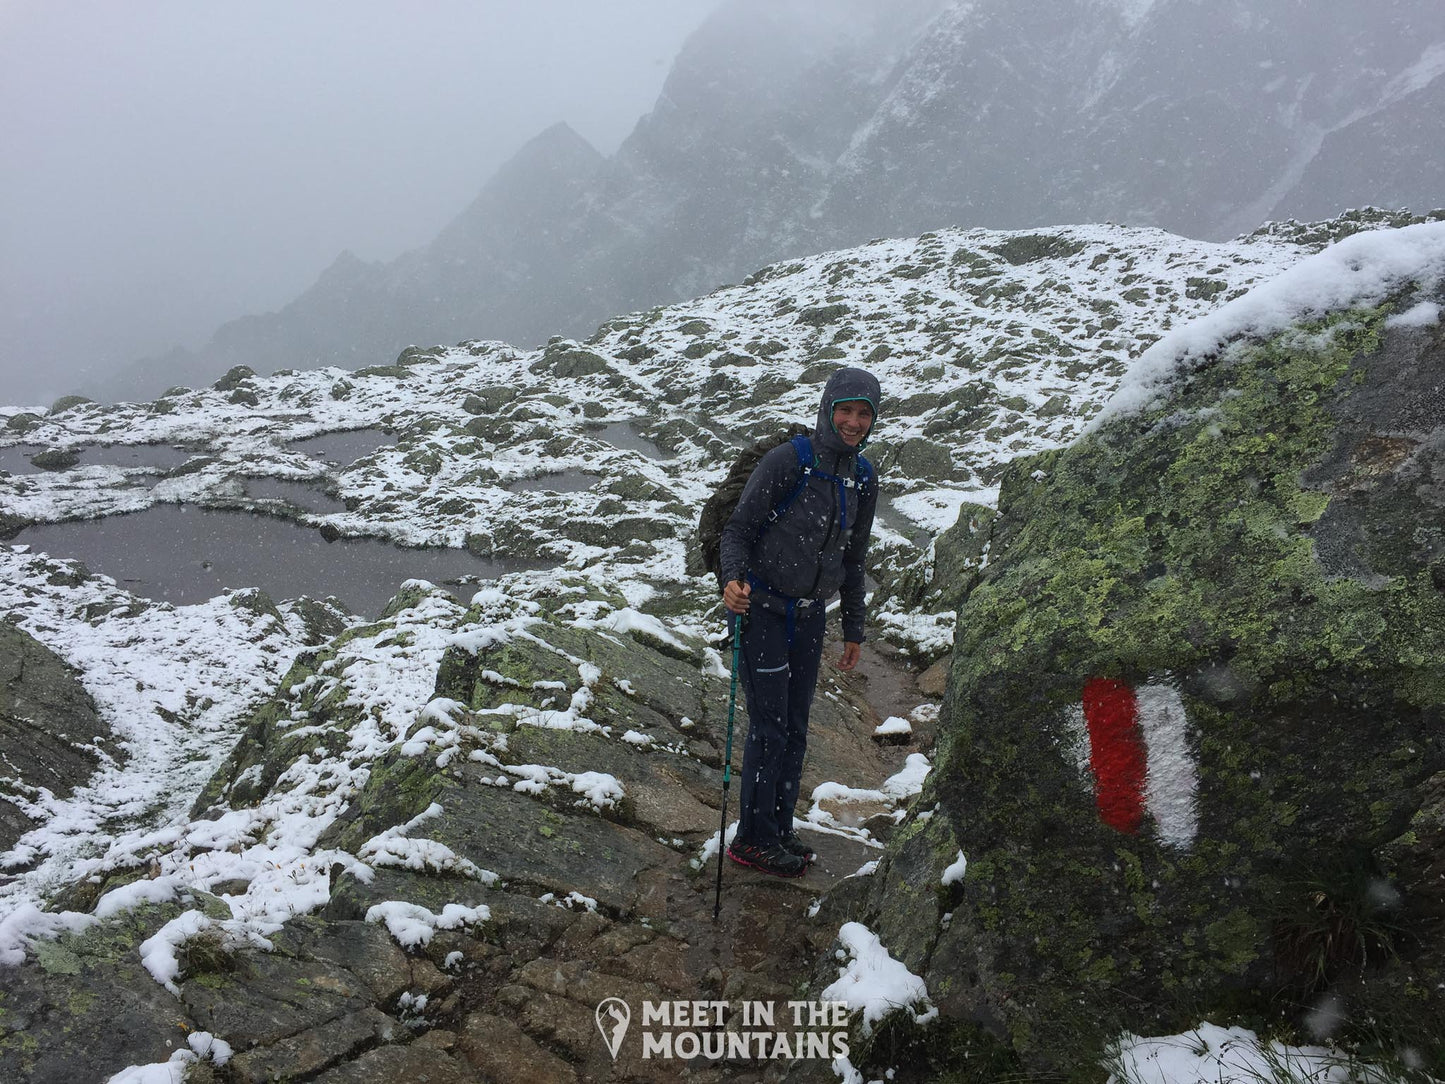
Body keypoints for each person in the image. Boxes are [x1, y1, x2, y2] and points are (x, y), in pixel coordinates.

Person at [719, 366, 880, 877]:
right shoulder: (789, 461)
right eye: (846, 411)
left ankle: (779, 826)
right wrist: (732, 580)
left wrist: (853, 627)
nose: (853, 423)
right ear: (828, 409)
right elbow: (738, 529)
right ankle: (752, 838)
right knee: (768, 728)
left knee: (795, 728)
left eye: (864, 414)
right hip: (761, 612)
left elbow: (854, 556)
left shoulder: (862, 477)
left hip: (811, 619)